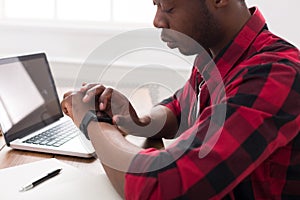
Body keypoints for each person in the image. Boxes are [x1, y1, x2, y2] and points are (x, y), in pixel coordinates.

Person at [61, 0, 300, 199]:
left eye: (169, 8)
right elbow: (180, 106)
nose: (157, 21)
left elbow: (161, 187)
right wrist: (141, 121)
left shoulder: (276, 74)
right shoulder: (213, 54)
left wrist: (93, 123)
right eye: (156, 5)